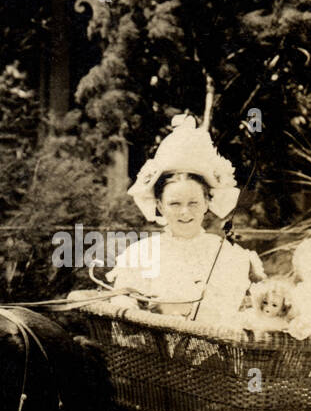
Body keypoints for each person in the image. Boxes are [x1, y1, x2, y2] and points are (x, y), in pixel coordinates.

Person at [106, 115, 264, 325]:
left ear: (207, 203)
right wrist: (131, 308)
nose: (185, 213)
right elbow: (122, 301)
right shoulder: (142, 253)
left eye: (193, 203)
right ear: (160, 206)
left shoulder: (226, 255)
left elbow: (233, 314)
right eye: (174, 204)